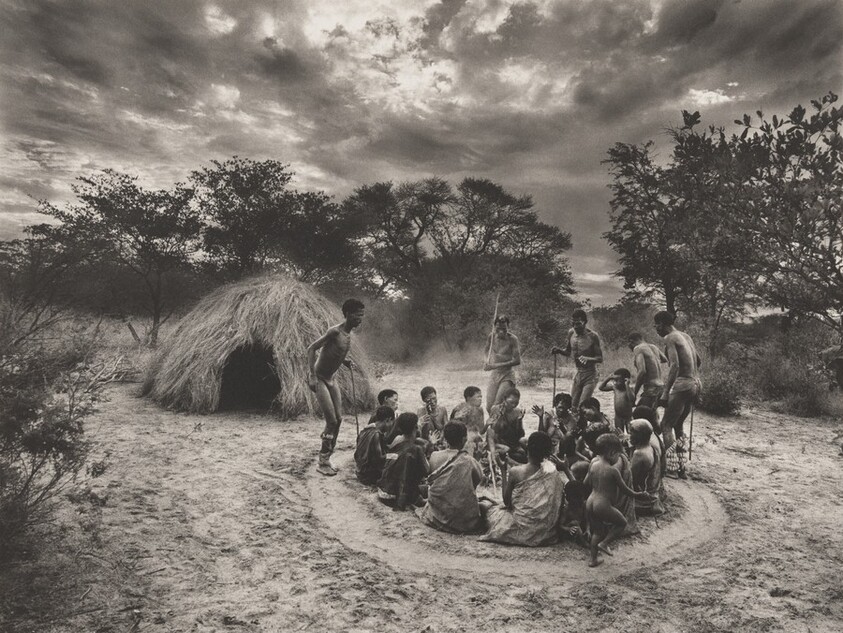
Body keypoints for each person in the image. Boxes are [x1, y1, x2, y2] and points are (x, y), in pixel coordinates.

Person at [307, 298, 365, 476]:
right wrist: (312, 376)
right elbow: (311, 349)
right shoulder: (334, 331)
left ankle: (328, 455)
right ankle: (322, 460)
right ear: (347, 314)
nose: (360, 319)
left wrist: (344, 361)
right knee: (331, 421)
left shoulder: (348, 335)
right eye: (357, 315)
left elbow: (335, 352)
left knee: (339, 419)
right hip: (320, 378)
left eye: (362, 316)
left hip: (332, 379)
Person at [479, 432, 566, 547]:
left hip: (520, 527)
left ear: (527, 449)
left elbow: (507, 502)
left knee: (484, 505)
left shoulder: (516, 472)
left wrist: (503, 471)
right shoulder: (553, 472)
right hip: (545, 532)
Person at [584, 433, 650, 567]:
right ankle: (605, 543)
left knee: (597, 532)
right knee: (622, 522)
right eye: (618, 455)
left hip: (590, 501)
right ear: (612, 453)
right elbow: (625, 490)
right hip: (602, 504)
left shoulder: (593, 465)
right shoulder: (613, 471)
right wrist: (639, 495)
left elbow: (586, 483)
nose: (618, 458)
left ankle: (593, 559)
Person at [654, 311, 702, 479]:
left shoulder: (670, 338)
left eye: (656, 325)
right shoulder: (685, 336)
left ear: (662, 324)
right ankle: (681, 467)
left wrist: (666, 392)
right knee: (679, 426)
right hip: (695, 383)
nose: (656, 329)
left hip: (683, 384)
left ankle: (672, 468)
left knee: (666, 425)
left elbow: (674, 366)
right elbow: (699, 360)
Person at [417, 422, 484, 533]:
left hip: (438, 513)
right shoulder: (468, 461)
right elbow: (477, 481)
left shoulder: (435, 456)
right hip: (461, 519)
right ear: (464, 440)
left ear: (445, 439)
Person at [551, 309, 603, 410]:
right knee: (572, 406)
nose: (575, 326)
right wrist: (559, 350)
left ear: (585, 322)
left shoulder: (593, 336)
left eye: (578, 323)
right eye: (573, 323)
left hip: (591, 375)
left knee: (582, 406)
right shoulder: (571, 333)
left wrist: (588, 359)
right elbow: (568, 352)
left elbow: (599, 358)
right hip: (578, 373)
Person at [377, 413, 430, 510]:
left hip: (383, 492)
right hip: (396, 496)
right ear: (416, 427)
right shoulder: (416, 449)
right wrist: (430, 447)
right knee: (429, 486)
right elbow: (427, 470)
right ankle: (416, 499)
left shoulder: (397, 440)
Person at [483, 315, 521, 414]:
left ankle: (502, 423)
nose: (501, 331)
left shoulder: (513, 339)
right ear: (494, 327)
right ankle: (494, 422)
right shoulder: (491, 337)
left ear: (508, 327)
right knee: (489, 406)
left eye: (504, 329)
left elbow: (517, 360)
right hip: (495, 374)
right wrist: (486, 361)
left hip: (507, 375)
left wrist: (495, 365)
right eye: (498, 329)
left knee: (497, 404)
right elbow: (486, 350)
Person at [629, 419, 665, 516]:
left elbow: (629, 478)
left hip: (644, 500)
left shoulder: (639, 453)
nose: (629, 436)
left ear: (639, 436)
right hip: (653, 495)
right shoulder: (651, 448)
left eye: (631, 433)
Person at [486, 387, 528, 471]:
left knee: (524, 452)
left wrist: (519, 421)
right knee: (506, 450)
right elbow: (493, 431)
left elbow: (520, 435)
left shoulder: (517, 411)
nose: (514, 405)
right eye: (511, 402)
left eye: (516, 403)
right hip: (499, 442)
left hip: (513, 443)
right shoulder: (496, 409)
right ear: (504, 399)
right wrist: (501, 417)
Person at [355, 406, 395, 486]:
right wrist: (394, 455)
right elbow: (380, 458)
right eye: (392, 423)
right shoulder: (376, 434)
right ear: (388, 420)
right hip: (367, 475)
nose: (391, 426)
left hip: (359, 469)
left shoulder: (366, 429)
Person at [628, 332, 667, 409]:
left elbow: (642, 371)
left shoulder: (638, 348)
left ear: (631, 342)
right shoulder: (653, 347)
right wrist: (652, 362)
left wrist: (634, 393)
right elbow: (665, 359)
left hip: (651, 390)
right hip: (661, 387)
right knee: (651, 413)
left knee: (639, 413)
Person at [450, 386, 486, 457]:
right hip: (463, 441)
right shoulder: (459, 409)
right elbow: (451, 430)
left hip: (476, 440)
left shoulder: (480, 410)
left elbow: (481, 431)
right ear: (469, 398)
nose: (480, 399)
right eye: (478, 397)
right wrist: (457, 418)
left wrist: (487, 424)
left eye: (481, 397)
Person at [598, 368, 635, 433]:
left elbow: (631, 399)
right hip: (618, 416)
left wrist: (627, 385)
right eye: (614, 380)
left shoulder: (629, 389)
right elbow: (601, 388)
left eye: (618, 380)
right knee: (619, 433)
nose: (615, 382)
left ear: (625, 380)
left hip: (628, 417)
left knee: (631, 433)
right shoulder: (615, 388)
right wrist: (608, 378)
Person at [559, 480, 589, 546]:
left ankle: (587, 537)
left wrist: (588, 529)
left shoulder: (583, 505)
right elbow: (560, 525)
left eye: (582, 497)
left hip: (581, 526)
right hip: (571, 530)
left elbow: (587, 519)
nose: (582, 499)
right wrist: (568, 529)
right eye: (579, 498)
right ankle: (584, 543)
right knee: (574, 523)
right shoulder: (567, 508)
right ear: (571, 498)